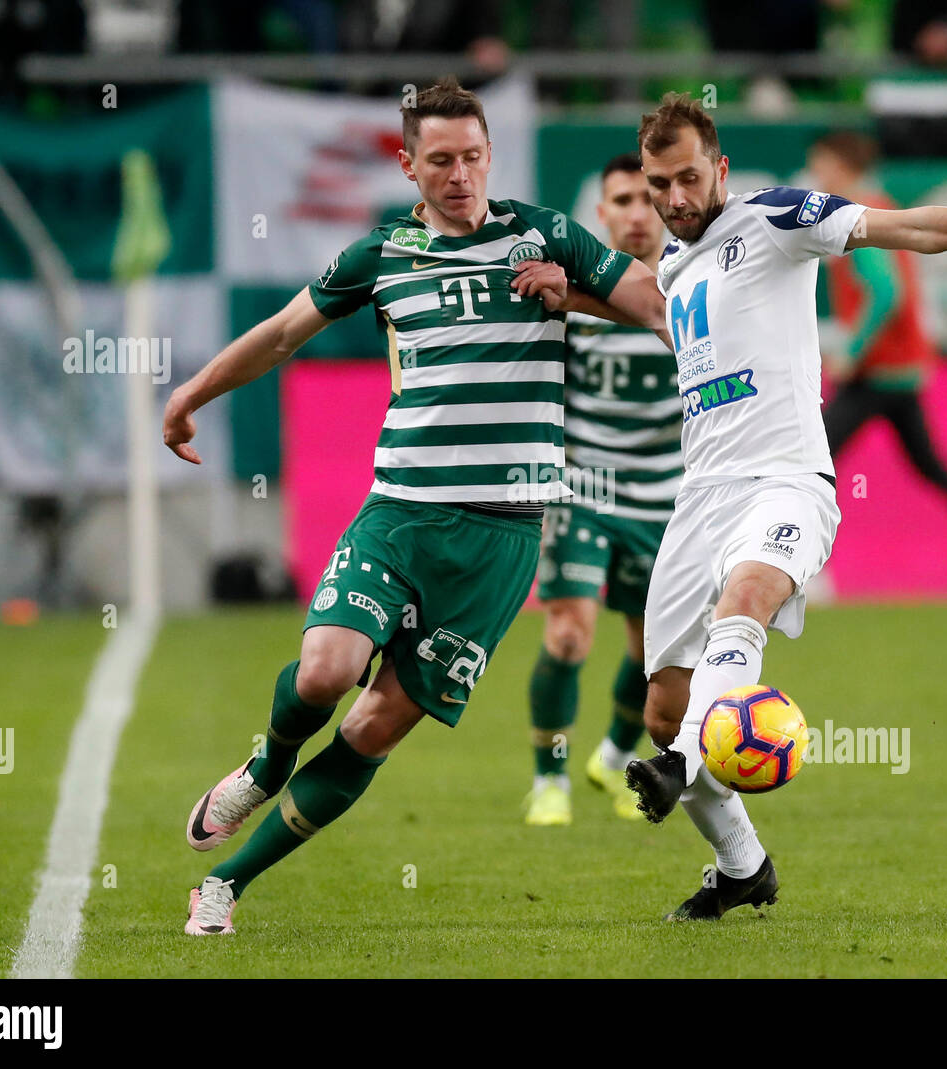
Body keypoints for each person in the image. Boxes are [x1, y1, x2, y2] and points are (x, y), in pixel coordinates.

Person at [162, 77, 665, 936]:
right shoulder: (381, 256)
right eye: (441, 160)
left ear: (490, 154)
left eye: (473, 155)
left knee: (375, 724)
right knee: (323, 672)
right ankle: (265, 765)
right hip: (401, 511)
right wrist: (191, 395)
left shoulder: (549, 234)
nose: (461, 173)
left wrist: (572, 292)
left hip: (503, 540)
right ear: (408, 165)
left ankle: (227, 886)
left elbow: (656, 307)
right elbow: (284, 333)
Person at [619, 93, 947, 920]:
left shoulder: (777, 217)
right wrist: (562, 293)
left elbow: (916, 230)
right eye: (659, 185)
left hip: (787, 481)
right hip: (699, 499)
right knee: (662, 707)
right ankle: (743, 864)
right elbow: (643, 309)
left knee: (745, 601)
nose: (676, 199)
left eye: (689, 178)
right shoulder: (677, 268)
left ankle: (684, 759)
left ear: (718, 168)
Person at [807, 130, 947, 600]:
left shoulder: (859, 220)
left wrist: (852, 351)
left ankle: (809, 573)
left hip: (878, 371)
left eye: (820, 165)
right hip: (902, 372)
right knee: (930, 467)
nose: (815, 175)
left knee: (812, 463)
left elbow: (887, 292)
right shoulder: (881, 206)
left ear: (839, 164)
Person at [524, 153, 681, 826]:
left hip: (669, 498)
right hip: (583, 487)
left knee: (655, 655)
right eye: (623, 200)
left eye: (649, 199)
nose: (638, 213)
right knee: (568, 635)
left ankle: (614, 757)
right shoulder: (574, 295)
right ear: (602, 214)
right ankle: (549, 777)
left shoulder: (692, 286)